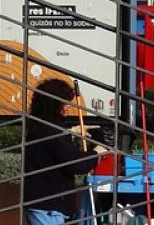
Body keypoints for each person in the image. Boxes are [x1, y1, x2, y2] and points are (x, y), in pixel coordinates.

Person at [23, 79, 101, 225]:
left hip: (45, 205)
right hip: (49, 207)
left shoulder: (40, 126)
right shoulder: (51, 131)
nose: (67, 107)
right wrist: (97, 152)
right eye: (64, 103)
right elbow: (76, 165)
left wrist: (70, 133)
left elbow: (53, 151)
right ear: (54, 104)